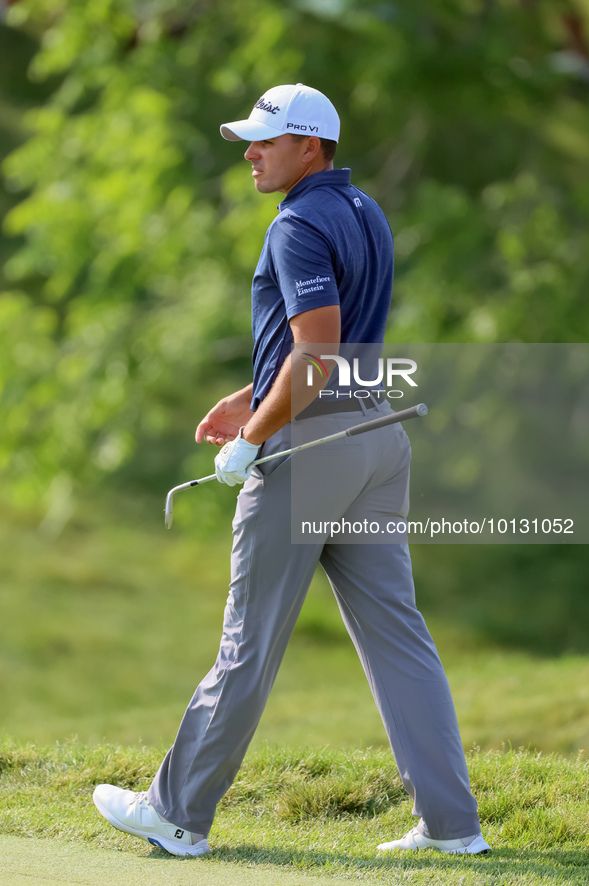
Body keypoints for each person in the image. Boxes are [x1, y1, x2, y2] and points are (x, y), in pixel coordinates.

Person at [93, 83, 490, 858]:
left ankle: (176, 814)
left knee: (250, 640)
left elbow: (315, 352)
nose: (249, 151)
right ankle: (452, 827)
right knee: (398, 638)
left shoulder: (296, 224)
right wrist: (248, 399)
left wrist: (252, 443)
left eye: (264, 141)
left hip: (310, 450)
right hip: (375, 435)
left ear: (309, 146)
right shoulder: (364, 211)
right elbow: (333, 349)